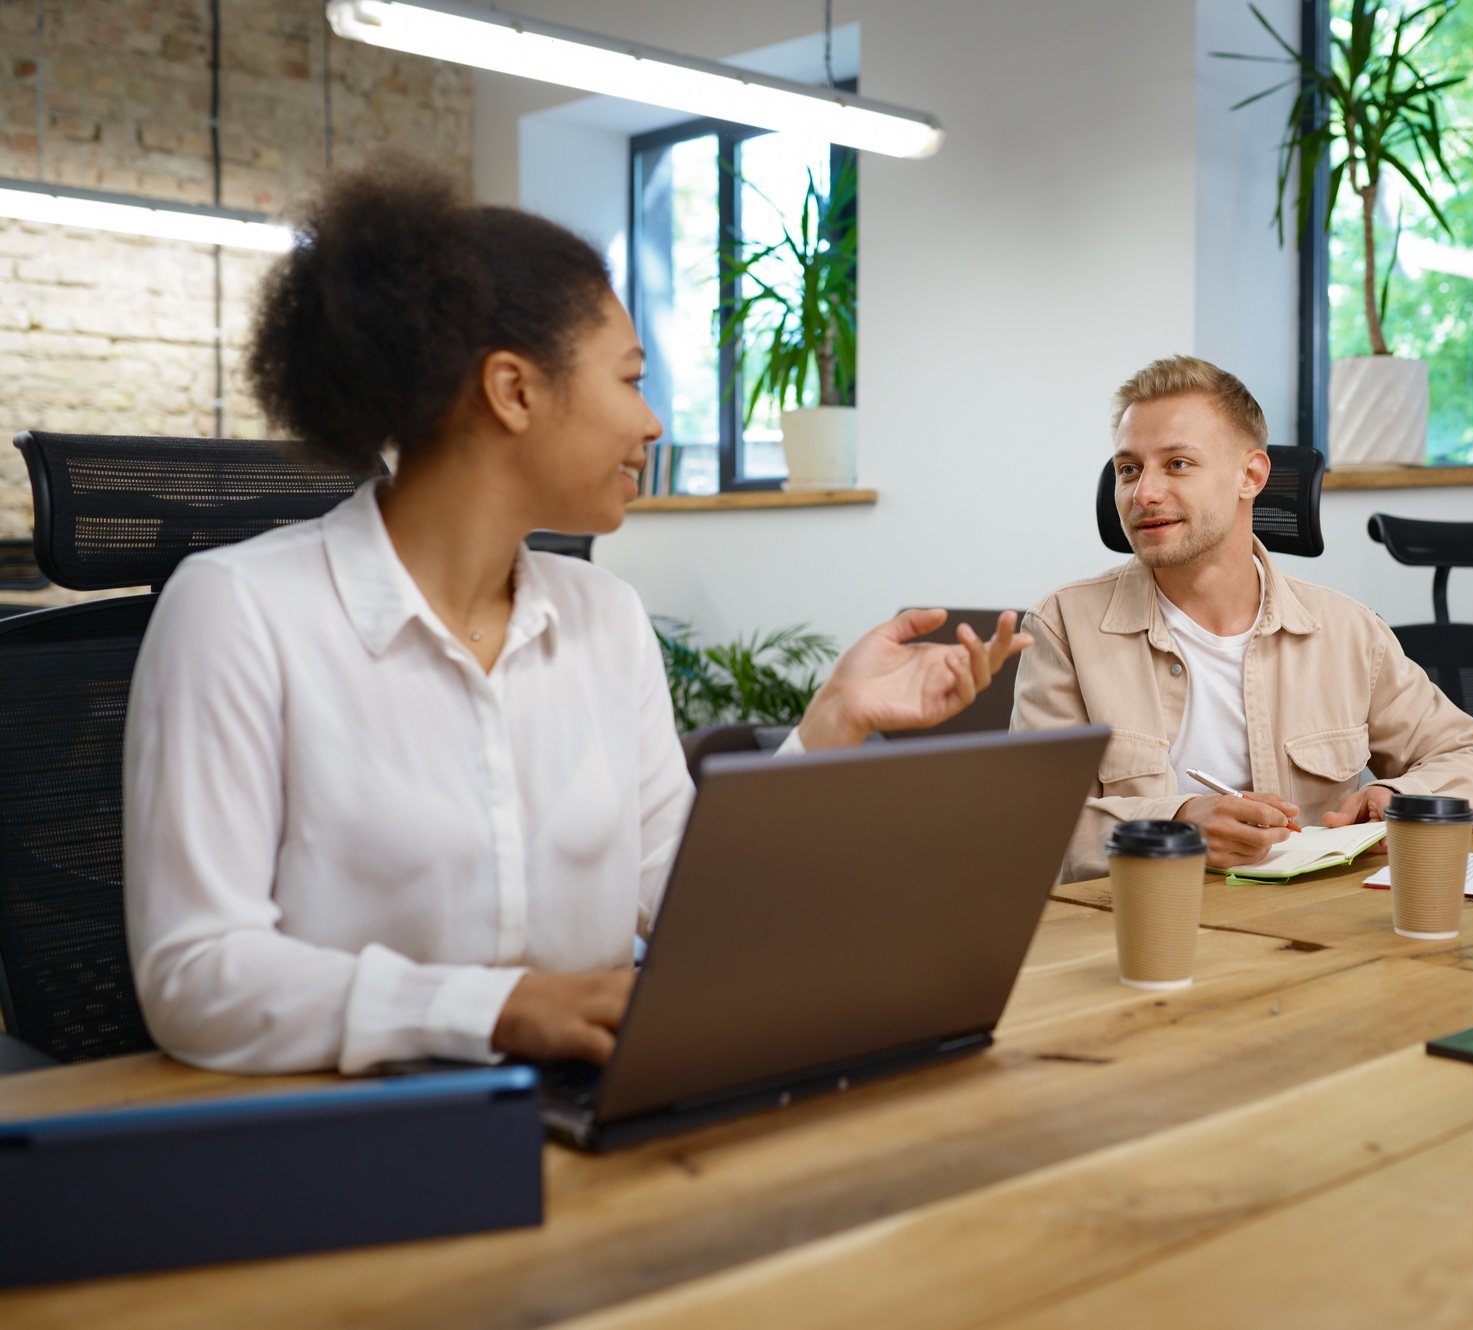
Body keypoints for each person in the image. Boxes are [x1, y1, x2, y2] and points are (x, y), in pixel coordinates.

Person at [124, 157, 1028, 1076]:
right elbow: (196, 976)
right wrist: (501, 1009)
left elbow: (682, 895)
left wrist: (830, 725)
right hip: (352, 1134)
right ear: (513, 390)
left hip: (599, 1106)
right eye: (630, 380)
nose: (654, 425)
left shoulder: (605, 615)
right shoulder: (240, 612)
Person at [1011, 355, 1473, 883]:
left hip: (1311, 930)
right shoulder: (1064, 625)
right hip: (1147, 924)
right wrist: (1178, 827)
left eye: (1177, 463)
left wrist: (1396, 796)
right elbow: (1030, 824)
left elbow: (1472, 760)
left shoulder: (1347, 630)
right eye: (1129, 469)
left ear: (1250, 475)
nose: (1143, 493)